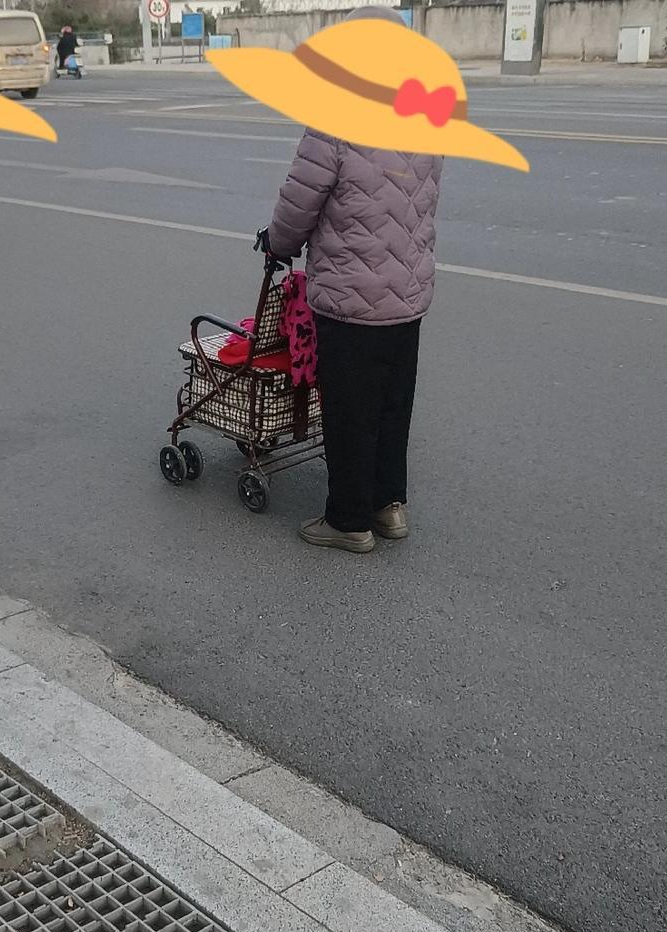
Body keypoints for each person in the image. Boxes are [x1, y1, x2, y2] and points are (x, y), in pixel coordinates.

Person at [264, 7, 442, 554]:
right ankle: (389, 507)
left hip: (348, 303)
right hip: (407, 300)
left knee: (348, 411)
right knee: (393, 404)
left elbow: (299, 205)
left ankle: (348, 521)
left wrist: (278, 244)